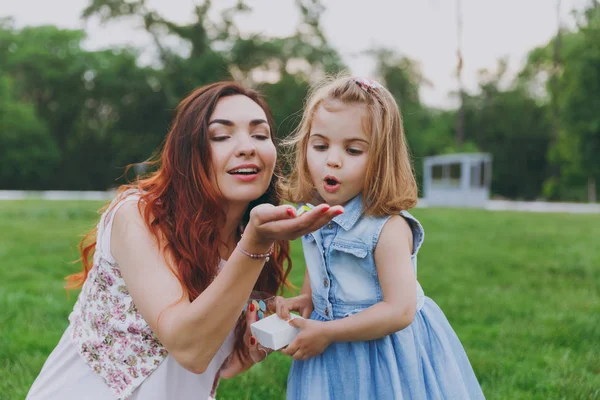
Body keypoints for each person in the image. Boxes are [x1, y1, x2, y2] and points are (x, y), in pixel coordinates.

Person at [26, 82, 343, 400]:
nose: (248, 147)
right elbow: (188, 348)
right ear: (188, 152)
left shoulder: (248, 235)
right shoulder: (138, 215)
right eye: (221, 136)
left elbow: (208, 360)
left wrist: (246, 352)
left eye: (260, 135)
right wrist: (255, 244)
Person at [275, 75, 485, 399]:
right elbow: (321, 267)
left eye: (353, 149)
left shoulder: (387, 228)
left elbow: (399, 310)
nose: (332, 159)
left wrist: (328, 332)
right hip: (328, 344)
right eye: (320, 145)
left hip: (382, 352)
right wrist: (307, 300)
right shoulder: (312, 214)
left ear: (381, 158)